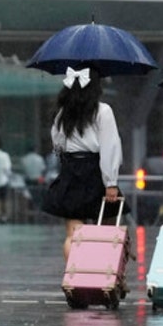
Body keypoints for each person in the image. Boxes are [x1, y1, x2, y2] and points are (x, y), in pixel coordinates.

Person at [41, 66, 123, 260]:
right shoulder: (103, 111)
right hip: (95, 172)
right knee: (107, 232)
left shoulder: (62, 113)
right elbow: (110, 146)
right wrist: (110, 182)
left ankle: (75, 276)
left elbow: (57, 144)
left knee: (73, 234)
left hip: (71, 171)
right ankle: (103, 276)